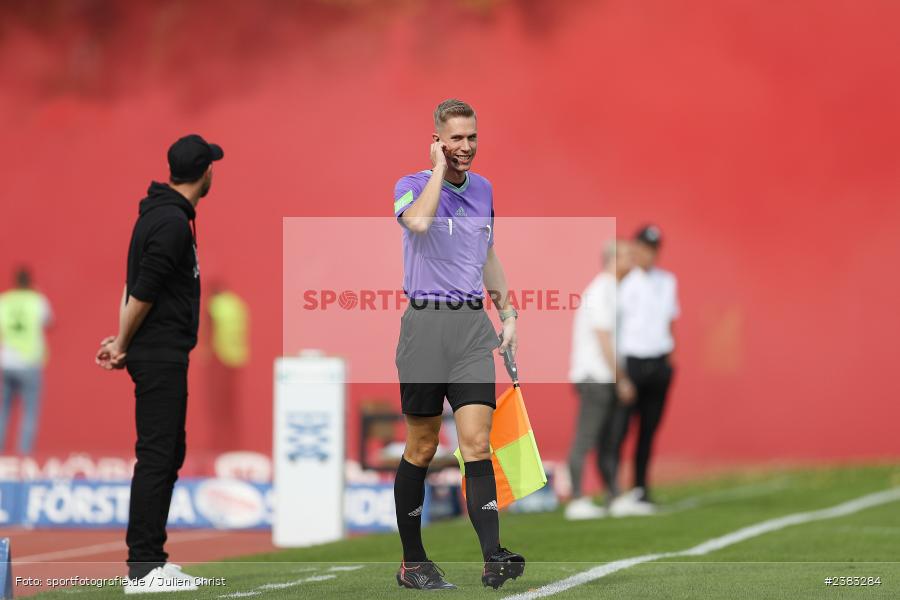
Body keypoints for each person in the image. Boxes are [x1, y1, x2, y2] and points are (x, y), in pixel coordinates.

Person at [392, 99, 525, 590]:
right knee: (423, 446)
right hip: (424, 328)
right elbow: (420, 223)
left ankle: (494, 556)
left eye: (472, 137)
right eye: (456, 139)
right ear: (436, 139)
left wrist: (507, 313)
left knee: (475, 443)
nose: (465, 147)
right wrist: (435, 172)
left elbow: (487, 254)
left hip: (471, 326)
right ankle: (413, 563)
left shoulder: (485, 189)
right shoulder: (410, 186)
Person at [95, 134, 223, 594]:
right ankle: (144, 567)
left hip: (156, 350)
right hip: (160, 354)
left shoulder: (161, 214)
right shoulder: (169, 222)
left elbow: (132, 285)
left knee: (167, 453)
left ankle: (151, 559)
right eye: (213, 167)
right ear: (204, 172)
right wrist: (123, 342)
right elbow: (143, 290)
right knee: (156, 456)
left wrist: (121, 337)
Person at [608, 225, 679, 516]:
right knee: (621, 429)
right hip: (632, 362)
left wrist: (670, 355)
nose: (648, 253)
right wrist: (620, 373)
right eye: (644, 247)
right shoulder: (624, 282)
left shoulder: (667, 280)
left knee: (648, 431)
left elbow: (671, 318)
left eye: (653, 248)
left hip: (659, 360)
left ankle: (640, 489)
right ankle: (614, 490)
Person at [565, 240, 633, 520]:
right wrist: (622, 378)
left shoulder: (612, 290)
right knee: (587, 438)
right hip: (596, 376)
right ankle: (577, 499)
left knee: (609, 439)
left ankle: (614, 495)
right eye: (627, 256)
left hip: (603, 376)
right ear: (613, 260)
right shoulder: (602, 290)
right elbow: (604, 337)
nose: (632, 261)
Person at [0, 267, 53, 454]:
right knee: (29, 411)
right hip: (29, 361)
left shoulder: (4, 301)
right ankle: (24, 456)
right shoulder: (37, 301)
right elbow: (49, 322)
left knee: (4, 410)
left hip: (6, 361)